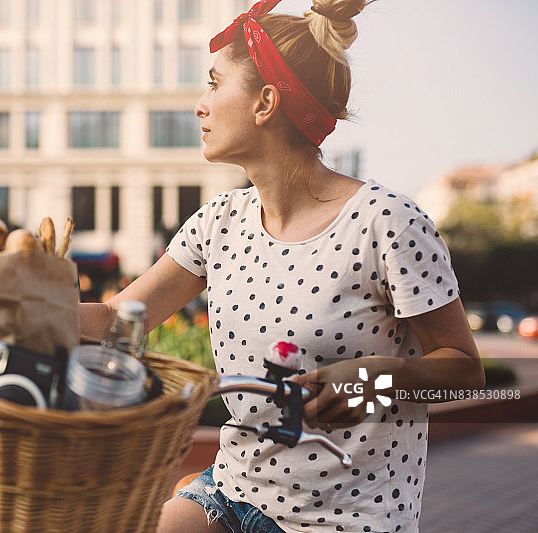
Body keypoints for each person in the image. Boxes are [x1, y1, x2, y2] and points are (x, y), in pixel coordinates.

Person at [79, 1, 484, 531]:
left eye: (215, 84)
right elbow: (116, 321)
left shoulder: (388, 223)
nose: (200, 105)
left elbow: (466, 372)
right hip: (232, 493)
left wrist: (375, 380)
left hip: (348, 517)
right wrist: (12, 305)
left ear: (266, 102)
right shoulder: (218, 221)